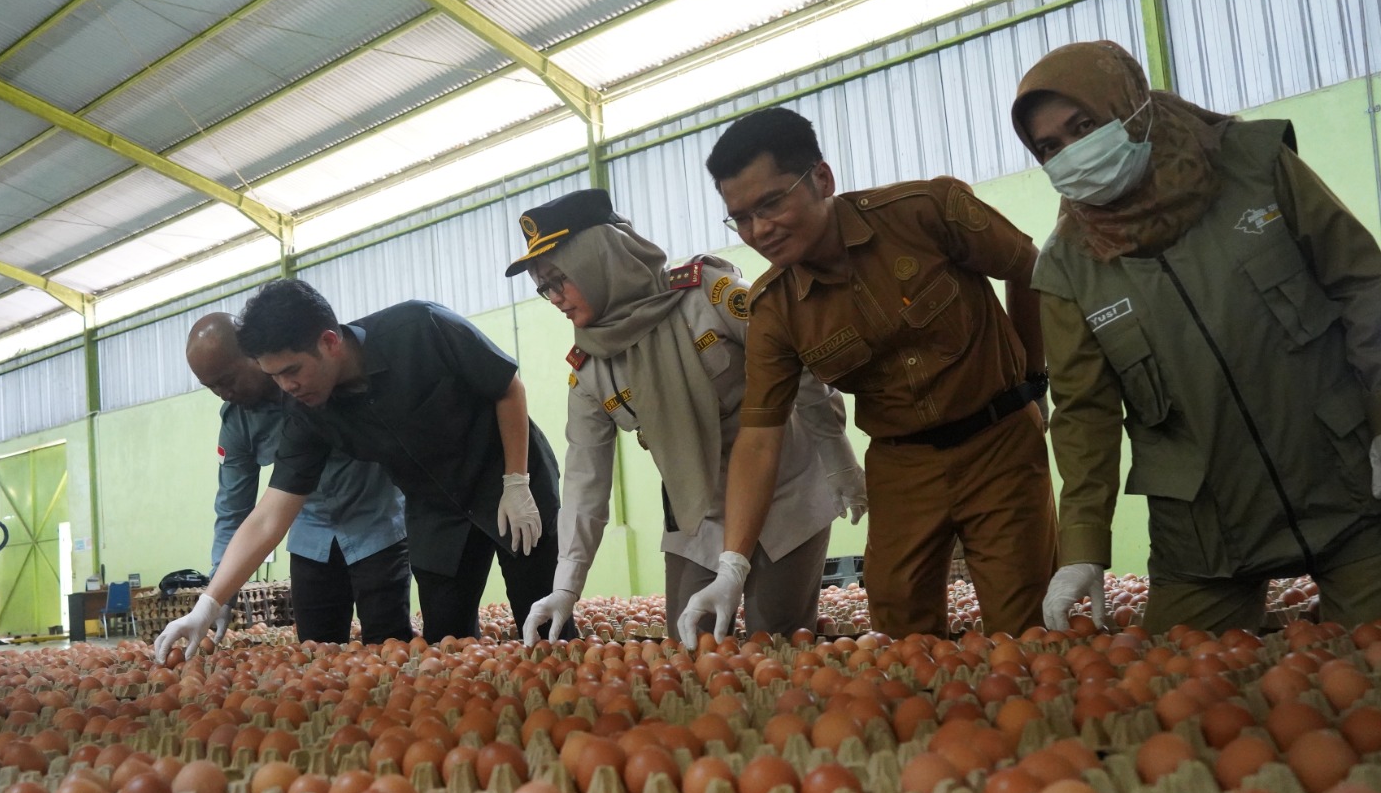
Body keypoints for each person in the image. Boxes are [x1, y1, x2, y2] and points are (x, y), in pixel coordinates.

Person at [1012, 41, 1381, 633]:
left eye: (1083, 127)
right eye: (1050, 147)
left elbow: (1363, 286)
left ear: (1130, 107)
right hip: (1206, 532)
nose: (1073, 153)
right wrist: (1083, 542)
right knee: (1173, 678)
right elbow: (1083, 412)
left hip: (1347, 485)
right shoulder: (1068, 267)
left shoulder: (1254, 165)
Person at [696, 106, 1058, 639]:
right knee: (900, 631)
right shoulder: (774, 309)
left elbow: (1029, 268)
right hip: (901, 467)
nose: (759, 230)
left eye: (771, 204)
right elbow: (759, 438)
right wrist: (733, 564)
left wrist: (1032, 377)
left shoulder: (927, 212)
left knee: (1023, 627)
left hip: (998, 445)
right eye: (742, 218)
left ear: (822, 179)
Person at [506, 189, 865, 645]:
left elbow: (799, 367)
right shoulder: (591, 368)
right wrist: (566, 585)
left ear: (600, 260)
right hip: (699, 512)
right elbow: (584, 480)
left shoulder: (707, 296)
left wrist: (838, 458)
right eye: (544, 289)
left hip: (784, 491)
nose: (555, 298)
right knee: (688, 645)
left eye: (560, 280)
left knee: (774, 640)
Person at [154, 280, 566, 661]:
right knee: (447, 642)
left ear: (329, 342)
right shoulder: (307, 414)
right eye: (274, 376)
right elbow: (269, 515)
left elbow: (507, 388)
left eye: (292, 370)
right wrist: (208, 603)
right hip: (434, 510)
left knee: (544, 620)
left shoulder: (419, 327)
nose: (286, 387)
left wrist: (516, 480)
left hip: (507, 481)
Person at [185, 313, 411, 645]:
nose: (223, 393)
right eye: (212, 387)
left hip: (375, 528)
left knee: (388, 645)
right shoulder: (238, 424)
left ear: (254, 355)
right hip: (311, 541)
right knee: (315, 650)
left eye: (228, 379)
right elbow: (233, 511)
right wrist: (218, 596)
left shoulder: (318, 382)